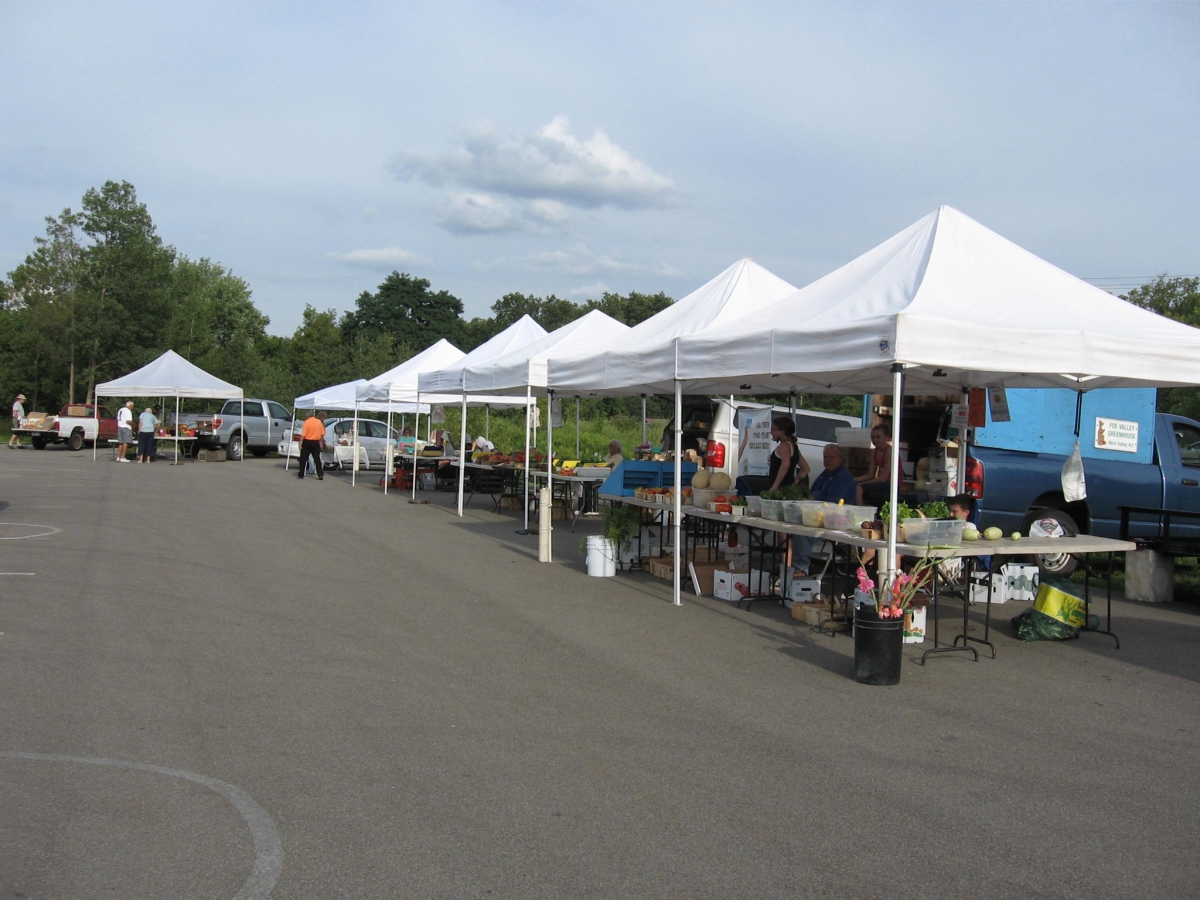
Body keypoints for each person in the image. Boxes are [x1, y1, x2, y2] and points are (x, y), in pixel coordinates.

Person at [792, 444, 858, 576]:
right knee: (791, 525)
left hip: (836, 520)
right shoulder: (826, 473)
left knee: (802, 532)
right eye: (825, 457)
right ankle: (787, 566)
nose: (827, 460)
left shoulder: (842, 478)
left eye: (831, 457)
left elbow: (830, 503)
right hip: (818, 514)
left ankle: (801, 568)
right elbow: (812, 493)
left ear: (840, 459)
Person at [855, 424, 893, 507]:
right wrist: (853, 480)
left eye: (878, 437)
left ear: (886, 437)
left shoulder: (889, 451)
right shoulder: (875, 452)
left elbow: (884, 478)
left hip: (891, 484)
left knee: (858, 488)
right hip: (882, 482)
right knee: (853, 485)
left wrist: (862, 484)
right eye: (873, 437)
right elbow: (870, 474)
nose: (875, 440)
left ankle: (860, 514)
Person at [297, 411, 326, 480]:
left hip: (307, 442)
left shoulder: (306, 422)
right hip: (316, 442)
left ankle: (301, 474)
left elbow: (303, 434)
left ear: (308, 416)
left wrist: (300, 442)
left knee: (303, 459)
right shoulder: (319, 422)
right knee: (317, 459)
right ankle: (320, 474)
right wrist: (322, 442)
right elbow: (322, 434)